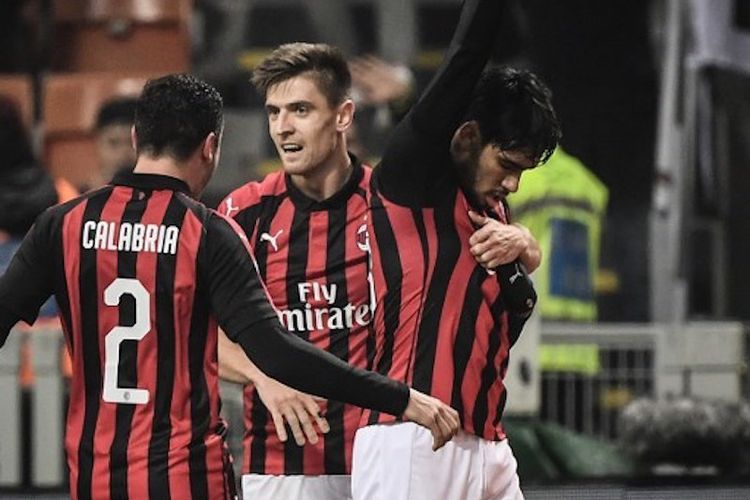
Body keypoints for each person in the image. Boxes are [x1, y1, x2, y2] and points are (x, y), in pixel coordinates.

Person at [0, 73, 459, 500]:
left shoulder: (61, 224)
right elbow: (275, 351)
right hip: (187, 475)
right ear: (210, 147)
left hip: (94, 475)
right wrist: (399, 397)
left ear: (138, 139)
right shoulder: (207, 232)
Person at [351, 0, 561, 498]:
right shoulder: (413, 176)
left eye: (523, 172)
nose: (512, 183)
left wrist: (526, 245)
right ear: (468, 136)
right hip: (414, 437)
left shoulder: (492, 210)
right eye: (507, 163)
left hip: (488, 439)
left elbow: (513, 312)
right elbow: (467, 55)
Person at [93, 97, 138, 186]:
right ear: (98, 144)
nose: (124, 153)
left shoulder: (166, 197)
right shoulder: (75, 197)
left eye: (132, 143)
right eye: (114, 143)